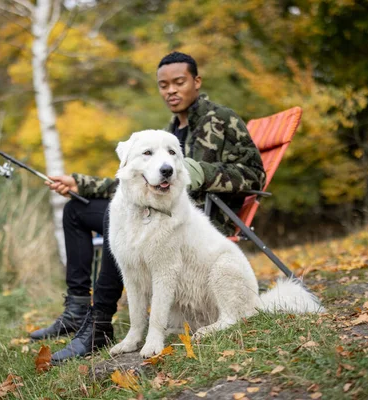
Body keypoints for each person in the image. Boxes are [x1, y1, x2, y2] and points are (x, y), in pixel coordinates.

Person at [31, 51, 266, 363]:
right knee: (77, 210)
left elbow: (254, 176)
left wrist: (199, 173)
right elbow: (134, 182)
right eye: (163, 85)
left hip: (198, 221)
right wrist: (81, 183)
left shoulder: (220, 119)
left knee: (115, 221)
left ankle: (99, 323)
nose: (170, 90)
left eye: (179, 82)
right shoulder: (169, 131)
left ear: (196, 82)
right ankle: (76, 308)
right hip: (156, 213)